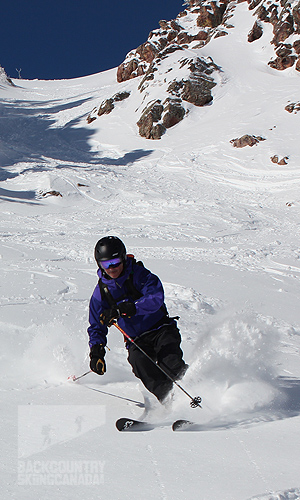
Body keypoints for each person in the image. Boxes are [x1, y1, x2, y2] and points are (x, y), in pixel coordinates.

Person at [87, 236, 188, 403]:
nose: (112, 268)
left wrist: (129, 308)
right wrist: (96, 351)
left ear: (124, 258)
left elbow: (155, 298)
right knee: (139, 363)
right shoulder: (101, 294)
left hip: (161, 328)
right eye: (106, 264)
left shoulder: (140, 275)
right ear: (99, 264)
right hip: (136, 340)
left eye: (116, 262)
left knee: (170, 363)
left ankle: (194, 392)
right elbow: (96, 325)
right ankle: (171, 401)